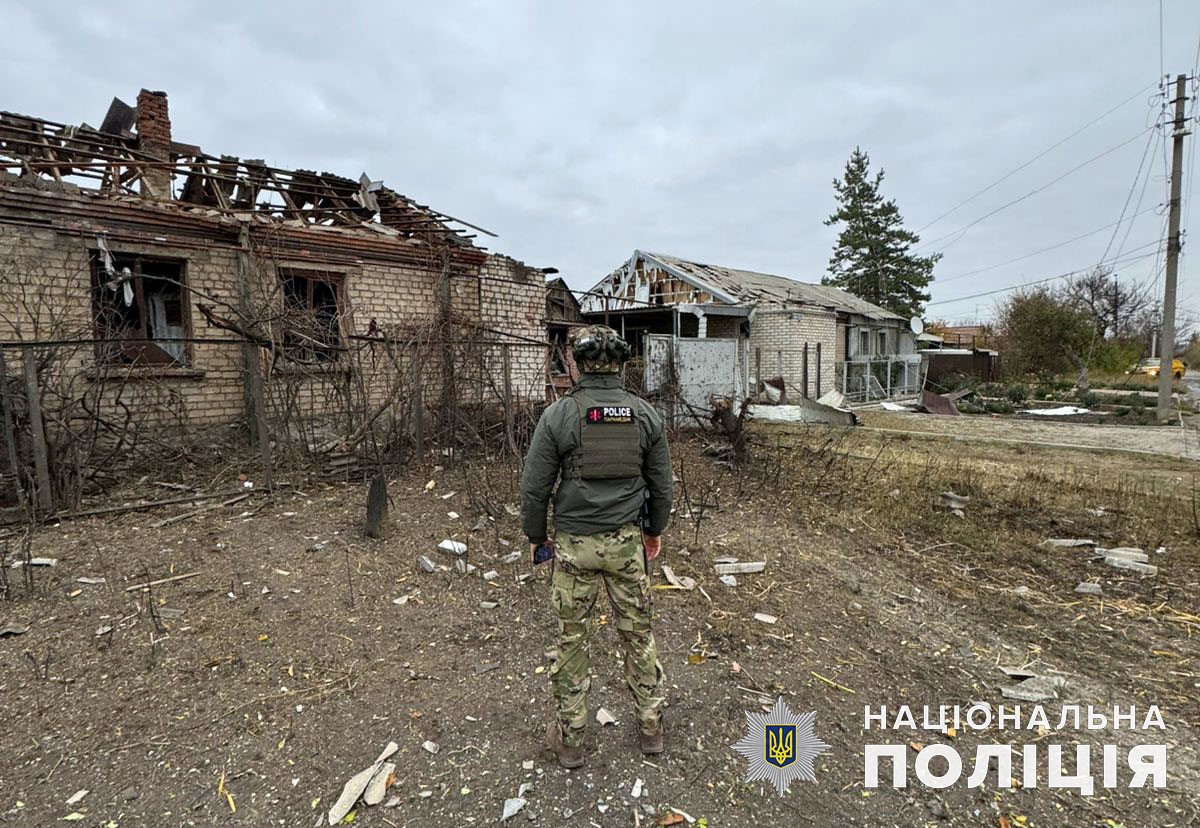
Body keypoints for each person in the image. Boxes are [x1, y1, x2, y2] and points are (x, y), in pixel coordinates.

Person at [520, 324, 673, 768]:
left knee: (572, 641)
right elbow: (662, 485)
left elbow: (534, 488)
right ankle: (651, 731)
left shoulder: (559, 415)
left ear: (578, 362)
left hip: (573, 549)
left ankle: (570, 742)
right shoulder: (645, 415)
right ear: (622, 363)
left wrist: (537, 538)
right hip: (627, 546)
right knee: (638, 636)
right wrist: (653, 530)